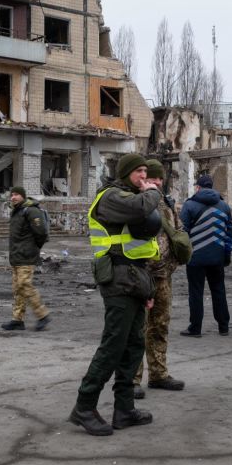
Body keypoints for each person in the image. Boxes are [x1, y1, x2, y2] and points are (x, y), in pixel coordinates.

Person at [70, 153, 160, 437]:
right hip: (117, 280)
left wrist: (148, 290)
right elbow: (140, 208)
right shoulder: (112, 197)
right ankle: (84, 406)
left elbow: (141, 251)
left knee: (134, 344)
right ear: (125, 173)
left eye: (146, 171)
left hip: (135, 279)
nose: (143, 177)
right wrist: (153, 191)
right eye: (139, 172)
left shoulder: (130, 195)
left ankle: (124, 409)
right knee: (112, 345)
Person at [133, 159, 190, 398]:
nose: (156, 182)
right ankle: (132, 379)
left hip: (163, 276)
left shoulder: (166, 202)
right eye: (151, 178)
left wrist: (174, 262)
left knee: (160, 326)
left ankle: (158, 374)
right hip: (140, 275)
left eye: (158, 179)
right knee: (136, 329)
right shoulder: (136, 203)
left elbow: (179, 230)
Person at [179, 175, 232, 337]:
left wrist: (183, 254)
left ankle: (195, 328)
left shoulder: (189, 205)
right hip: (217, 257)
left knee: (196, 292)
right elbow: (229, 232)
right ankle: (223, 326)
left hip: (195, 257)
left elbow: (182, 232)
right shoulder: (224, 206)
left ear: (198, 187)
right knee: (219, 290)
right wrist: (227, 253)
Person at [1, 186, 52, 332]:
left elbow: (41, 233)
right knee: (17, 288)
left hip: (27, 256)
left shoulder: (30, 210)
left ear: (23, 196)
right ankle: (17, 320)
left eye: (16, 194)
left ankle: (42, 315)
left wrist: (34, 248)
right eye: (12, 195)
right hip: (17, 256)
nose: (13, 197)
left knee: (24, 284)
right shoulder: (17, 211)